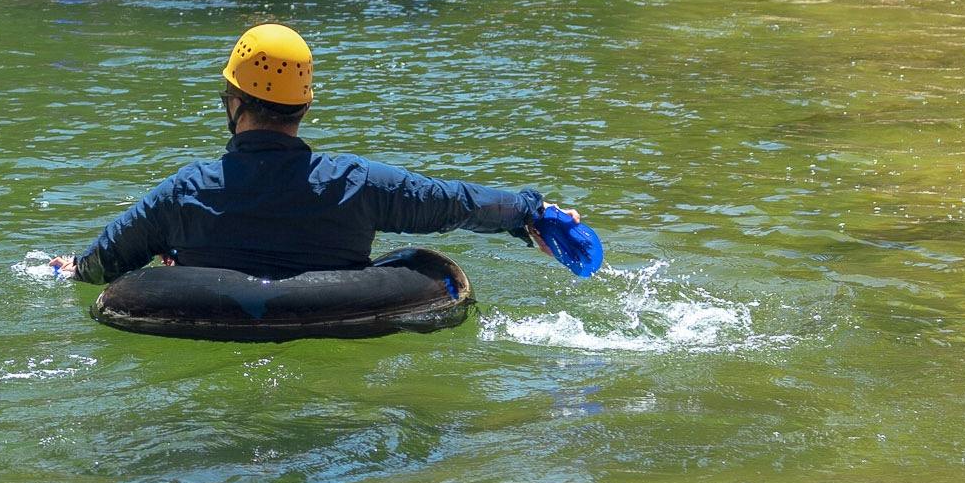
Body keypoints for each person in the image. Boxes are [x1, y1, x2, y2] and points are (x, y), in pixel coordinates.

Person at [56, 22, 586, 285]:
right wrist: (531, 214)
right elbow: (454, 203)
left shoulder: (183, 192)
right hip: (342, 330)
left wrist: (64, 270)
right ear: (303, 108)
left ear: (235, 104)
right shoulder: (358, 183)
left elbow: (102, 263)